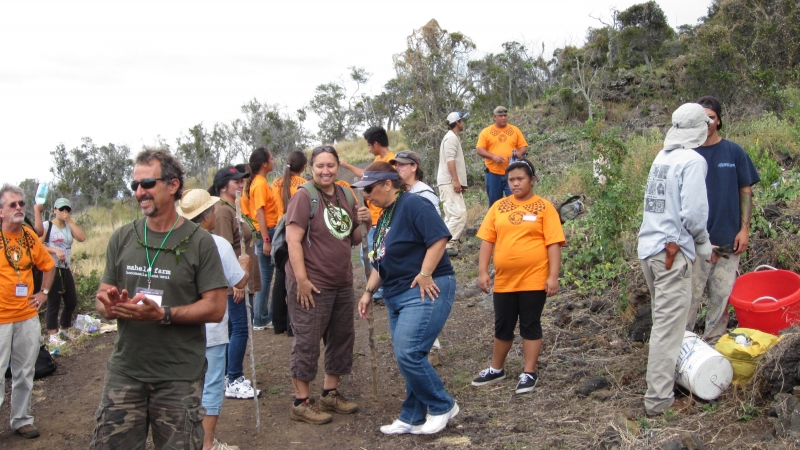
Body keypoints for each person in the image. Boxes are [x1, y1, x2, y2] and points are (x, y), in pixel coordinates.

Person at [91, 149, 228, 449]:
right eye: (135, 185)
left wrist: (164, 314)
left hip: (179, 377)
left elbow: (216, 307)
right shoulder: (122, 238)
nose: (139, 192)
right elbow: (102, 298)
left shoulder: (200, 242)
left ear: (173, 185)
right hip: (126, 371)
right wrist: (109, 307)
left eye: (148, 183)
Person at [354, 162, 458, 435]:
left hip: (425, 288)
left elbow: (439, 238)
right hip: (396, 293)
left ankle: (442, 405)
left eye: (369, 189)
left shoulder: (413, 204)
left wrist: (425, 273)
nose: (366, 195)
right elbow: (381, 261)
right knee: (410, 355)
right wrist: (368, 291)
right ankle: (412, 416)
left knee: (408, 352)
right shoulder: (385, 215)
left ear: (388, 184)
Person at [637, 103, 714, 416]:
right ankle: (658, 401)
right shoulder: (693, 161)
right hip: (671, 252)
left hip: (650, 249)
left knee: (663, 323)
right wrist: (703, 241)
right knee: (668, 329)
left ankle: (664, 386)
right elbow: (694, 213)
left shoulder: (663, 157)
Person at [470, 159, 565, 394]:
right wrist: (482, 272)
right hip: (504, 279)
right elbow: (487, 240)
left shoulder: (544, 208)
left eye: (520, 179)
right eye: (511, 180)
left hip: (534, 278)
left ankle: (529, 372)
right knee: (503, 324)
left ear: (532, 180)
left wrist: (553, 276)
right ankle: (496, 369)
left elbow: (553, 244)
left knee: (530, 324)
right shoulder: (498, 207)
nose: (515, 183)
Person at [285, 145, 364, 425]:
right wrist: (302, 281)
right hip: (312, 283)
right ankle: (301, 402)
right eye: (320, 166)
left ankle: (330, 393)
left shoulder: (345, 194)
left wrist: (362, 222)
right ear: (312, 168)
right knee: (307, 341)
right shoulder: (304, 196)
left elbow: (353, 239)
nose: (326, 171)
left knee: (341, 338)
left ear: (338, 166)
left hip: (341, 281)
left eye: (330, 165)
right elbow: (293, 239)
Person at [177, 189, 250, 450]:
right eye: (213, 211)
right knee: (211, 385)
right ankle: (206, 443)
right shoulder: (217, 244)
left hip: (180, 325)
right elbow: (238, 281)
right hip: (211, 326)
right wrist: (245, 265)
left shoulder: (172, 244)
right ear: (207, 215)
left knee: (181, 386)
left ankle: (184, 440)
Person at [685, 95, 761, 345]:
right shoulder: (687, 154)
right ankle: (682, 349)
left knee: (720, 302)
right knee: (689, 301)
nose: (707, 122)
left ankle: (713, 352)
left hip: (728, 242)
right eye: (702, 118)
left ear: (719, 120)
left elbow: (745, 191)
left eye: (711, 117)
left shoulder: (734, 151)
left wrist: (744, 230)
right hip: (694, 245)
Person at [0, 184, 55, 440]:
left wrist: (44, 292)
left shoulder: (29, 236)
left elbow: (48, 265)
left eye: (21, 203)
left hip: (26, 316)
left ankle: (21, 419)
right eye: (13, 204)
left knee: (24, 371)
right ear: (1, 211)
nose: (19, 208)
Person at [208, 166, 261, 400]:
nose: (241, 184)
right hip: (234, 282)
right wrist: (235, 285)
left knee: (235, 328)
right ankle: (234, 378)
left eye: (242, 180)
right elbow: (223, 250)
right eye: (235, 181)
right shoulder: (222, 211)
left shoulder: (233, 208)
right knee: (239, 329)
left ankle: (227, 375)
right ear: (222, 186)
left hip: (241, 279)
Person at [341, 126, 395, 301]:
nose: (369, 149)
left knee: (373, 255)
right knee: (370, 255)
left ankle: (378, 292)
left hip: (379, 217)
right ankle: (378, 291)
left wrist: (346, 165)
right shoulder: (378, 160)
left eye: (369, 145)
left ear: (376, 143)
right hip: (373, 217)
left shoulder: (390, 161)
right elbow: (365, 175)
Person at [271, 150, 308, 335]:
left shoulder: (275, 183)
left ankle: (278, 322)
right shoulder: (303, 184)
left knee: (280, 277)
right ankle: (292, 324)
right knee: (294, 275)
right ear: (304, 166)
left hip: (279, 229)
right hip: (296, 227)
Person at [41, 198, 86, 346]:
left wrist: (70, 221)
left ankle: (63, 330)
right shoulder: (47, 225)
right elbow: (37, 245)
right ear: (54, 210)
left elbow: (81, 237)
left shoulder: (68, 226)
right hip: (51, 268)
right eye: (61, 209)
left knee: (71, 301)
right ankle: (52, 335)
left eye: (67, 209)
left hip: (65, 267)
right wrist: (54, 250)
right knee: (54, 301)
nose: (63, 212)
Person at [245, 147, 278, 330]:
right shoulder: (259, 184)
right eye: (271, 158)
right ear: (264, 164)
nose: (273, 161)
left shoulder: (261, 182)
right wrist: (266, 240)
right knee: (265, 277)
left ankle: (262, 316)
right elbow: (260, 213)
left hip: (268, 231)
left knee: (266, 277)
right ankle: (259, 318)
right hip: (267, 232)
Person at [476, 106, 529, 206]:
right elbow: (479, 150)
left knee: (515, 201)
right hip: (493, 173)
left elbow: (523, 146)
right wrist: (493, 157)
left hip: (511, 173)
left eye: (505, 115)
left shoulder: (514, 130)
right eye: (500, 116)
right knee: (495, 204)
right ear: (494, 117)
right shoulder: (486, 132)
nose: (503, 118)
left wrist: (520, 153)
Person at [437, 111, 469, 257]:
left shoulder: (451, 137)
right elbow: (450, 160)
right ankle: (446, 245)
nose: (464, 122)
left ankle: (442, 246)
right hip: (449, 182)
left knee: (451, 216)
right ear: (457, 122)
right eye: (462, 120)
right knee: (459, 215)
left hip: (448, 182)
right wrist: (455, 180)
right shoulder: (450, 138)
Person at [391, 150, 441, 215]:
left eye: (401, 164)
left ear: (414, 167)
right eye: (396, 165)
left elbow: (434, 220)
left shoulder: (424, 193)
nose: (397, 168)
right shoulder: (398, 193)